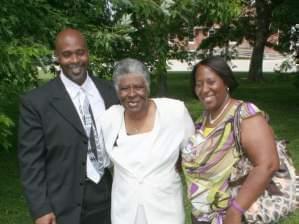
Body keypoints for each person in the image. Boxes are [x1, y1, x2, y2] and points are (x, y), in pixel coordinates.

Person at [18, 28, 118, 224]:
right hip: (64, 204)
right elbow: (31, 161)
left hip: (109, 196)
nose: (75, 60)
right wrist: (40, 209)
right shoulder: (37, 102)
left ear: (88, 53)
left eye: (80, 52)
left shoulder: (109, 92)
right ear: (57, 57)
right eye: (67, 54)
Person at [181, 56, 280, 224]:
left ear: (225, 82)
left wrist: (235, 211)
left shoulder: (244, 114)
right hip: (202, 216)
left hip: (232, 217)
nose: (204, 89)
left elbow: (268, 164)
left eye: (211, 82)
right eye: (198, 84)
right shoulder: (203, 120)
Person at [99, 58, 195, 224]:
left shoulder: (174, 112)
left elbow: (193, 154)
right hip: (125, 212)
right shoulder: (109, 119)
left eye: (138, 87)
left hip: (165, 210)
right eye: (124, 88)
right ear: (117, 91)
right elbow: (105, 161)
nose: (131, 94)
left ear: (148, 88)